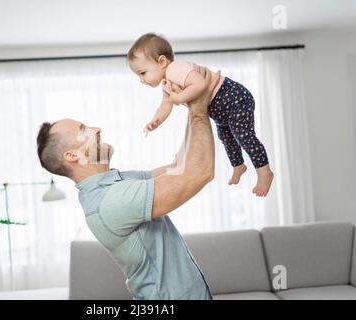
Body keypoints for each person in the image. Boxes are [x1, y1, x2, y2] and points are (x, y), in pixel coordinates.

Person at [36, 65, 218, 300]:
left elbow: (178, 167)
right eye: (84, 130)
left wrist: (188, 103)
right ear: (72, 156)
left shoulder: (114, 183)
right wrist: (198, 107)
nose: (97, 129)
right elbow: (199, 173)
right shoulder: (110, 201)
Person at [127, 32, 274, 197]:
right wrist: (156, 120)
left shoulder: (175, 69)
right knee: (226, 137)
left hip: (233, 99)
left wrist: (179, 98)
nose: (141, 80)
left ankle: (264, 171)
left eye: (142, 73)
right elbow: (166, 104)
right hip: (220, 111)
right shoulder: (167, 82)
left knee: (243, 135)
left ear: (161, 61)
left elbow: (200, 83)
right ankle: (238, 165)